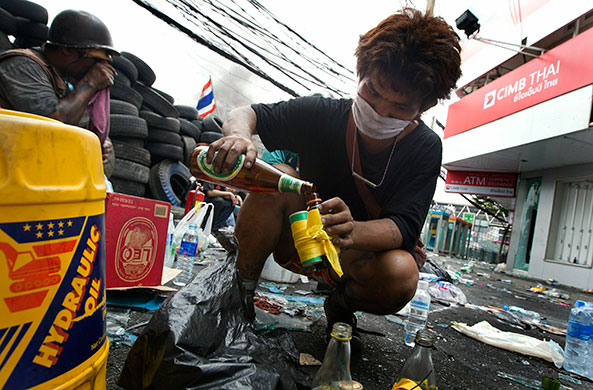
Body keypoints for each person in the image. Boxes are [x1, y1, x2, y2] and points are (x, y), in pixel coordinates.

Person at [206, 8, 462, 354]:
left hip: (360, 258)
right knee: (277, 180)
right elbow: (248, 114)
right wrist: (240, 137)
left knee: (401, 273)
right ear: (362, 74)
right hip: (300, 243)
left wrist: (352, 230)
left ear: (425, 105)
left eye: (398, 108)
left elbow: (404, 226)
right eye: (371, 92)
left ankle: (340, 307)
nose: (378, 112)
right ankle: (238, 296)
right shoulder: (322, 114)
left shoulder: (425, 148)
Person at [0, 9, 118, 175]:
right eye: (96, 59)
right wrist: (91, 83)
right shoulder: (22, 65)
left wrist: (97, 143)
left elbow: (77, 127)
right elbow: (53, 127)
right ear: (67, 51)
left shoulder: (62, 81)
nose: (99, 67)